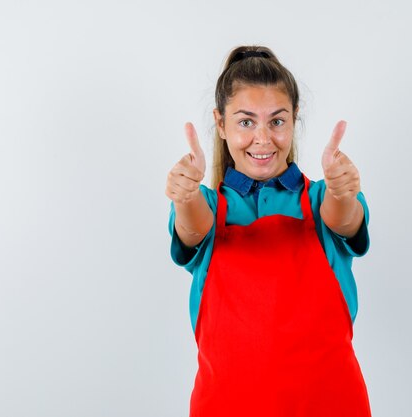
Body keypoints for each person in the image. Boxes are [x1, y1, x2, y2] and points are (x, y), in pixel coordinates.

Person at [165, 45, 372, 417]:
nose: (262, 139)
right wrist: (185, 196)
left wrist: (343, 192)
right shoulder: (209, 207)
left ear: (294, 119)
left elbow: (344, 219)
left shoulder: (322, 199)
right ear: (221, 123)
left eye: (277, 121)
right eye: (246, 122)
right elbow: (193, 228)